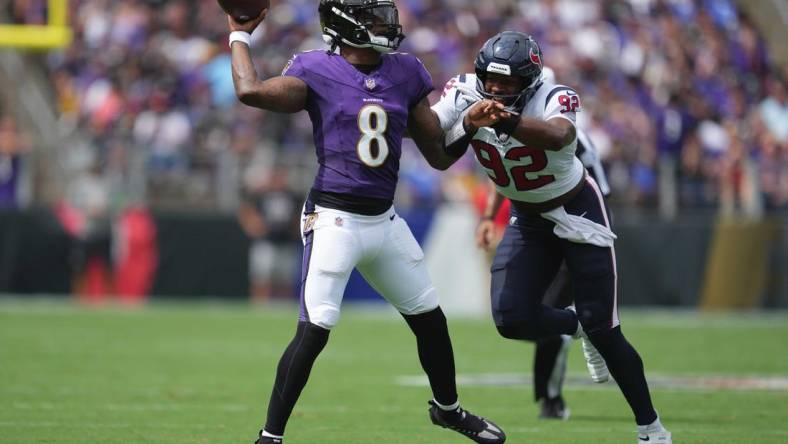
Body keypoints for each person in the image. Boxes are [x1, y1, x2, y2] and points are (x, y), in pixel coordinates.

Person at [226, 1, 506, 443]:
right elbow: (249, 90)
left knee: (430, 319)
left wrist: (468, 125)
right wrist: (239, 35)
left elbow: (438, 155)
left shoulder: (406, 72)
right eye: (373, 15)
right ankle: (270, 436)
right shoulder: (315, 69)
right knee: (315, 329)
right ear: (345, 22)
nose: (386, 24)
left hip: (385, 221)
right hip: (334, 219)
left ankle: (448, 410)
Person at [430, 31, 672, 444]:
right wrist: (430, 112)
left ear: (530, 81)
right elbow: (434, 130)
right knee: (510, 317)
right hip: (528, 216)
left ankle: (652, 429)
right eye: (491, 80)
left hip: (578, 211)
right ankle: (577, 326)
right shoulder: (464, 91)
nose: (496, 90)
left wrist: (504, 119)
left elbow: (560, 135)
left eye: (507, 84)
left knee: (607, 330)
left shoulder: (556, 97)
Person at [474, 68, 612, 420]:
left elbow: (595, 195)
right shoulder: (517, 128)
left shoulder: (566, 137)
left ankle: (551, 398)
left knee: (552, 310)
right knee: (531, 312)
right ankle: (551, 393)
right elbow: (508, 169)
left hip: (574, 228)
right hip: (537, 228)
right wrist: (490, 216)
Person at [237, 169, 301, 303]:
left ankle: (283, 307)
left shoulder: (292, 196)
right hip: (266, 242)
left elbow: (301, 214)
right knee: (262, 279)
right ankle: (259, 306)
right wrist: (252, 227)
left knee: (284, 281)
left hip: (286, 242)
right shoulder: (261, 195)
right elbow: (245, 209)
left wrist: (296, 230)